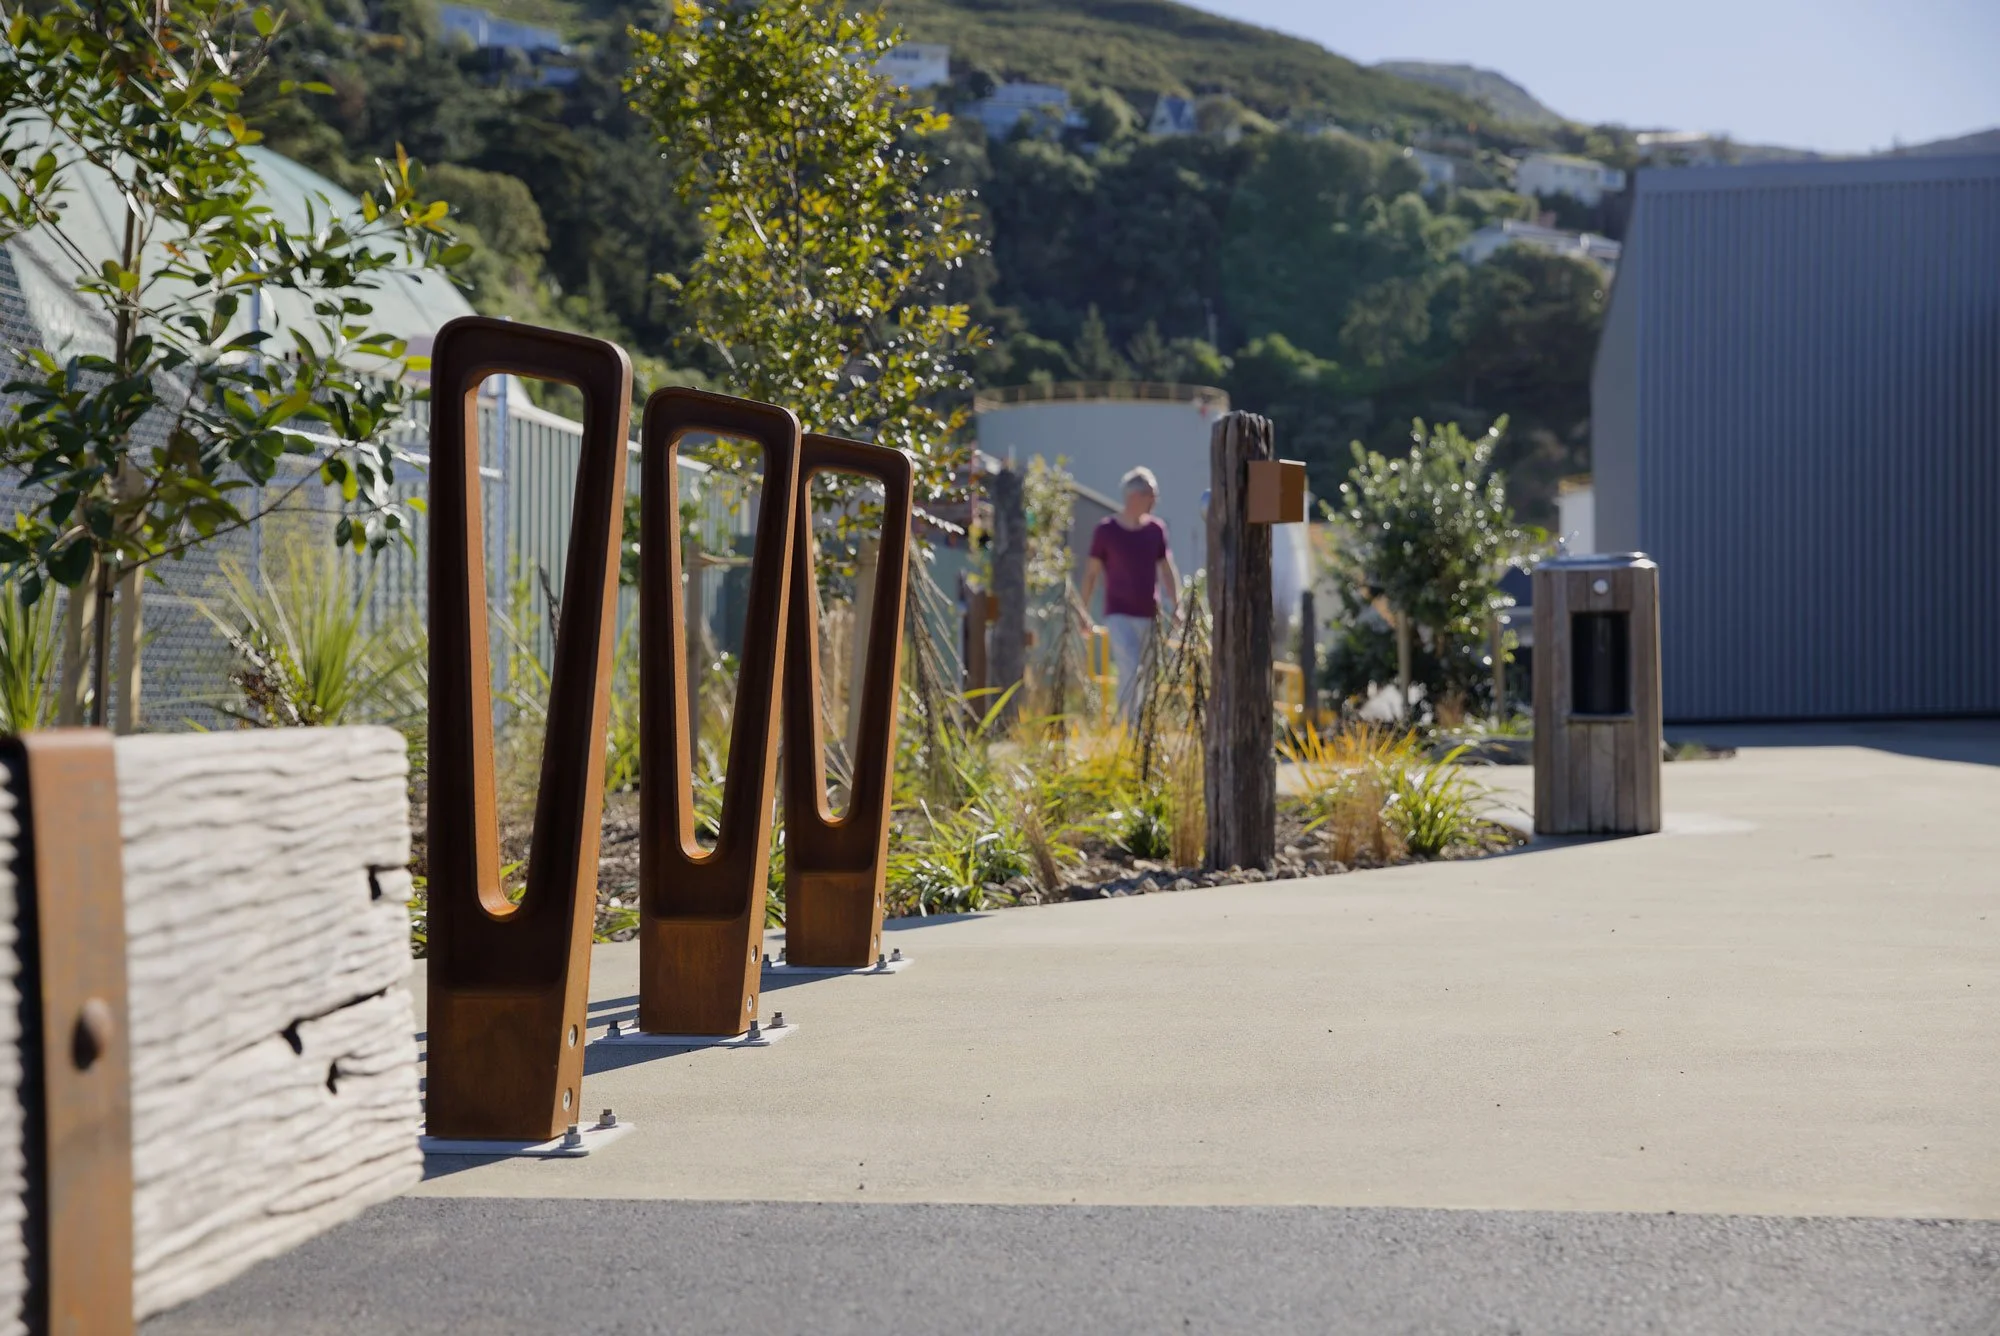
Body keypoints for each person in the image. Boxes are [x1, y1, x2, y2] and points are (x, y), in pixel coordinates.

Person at [1079, 466, 1180, 725]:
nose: (1155, 501)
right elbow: (1091, 574)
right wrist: (1083, 611)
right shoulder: (1106, 531)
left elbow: (1167, 570)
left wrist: (1177, 605)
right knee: (1130, 668)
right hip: (1119, 614)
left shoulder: (1156, 530)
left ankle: (1142, 731)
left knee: (1147, 673)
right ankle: (1129, 731)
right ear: (1135, 496)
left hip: (1150, 614)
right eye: (1152, 494)